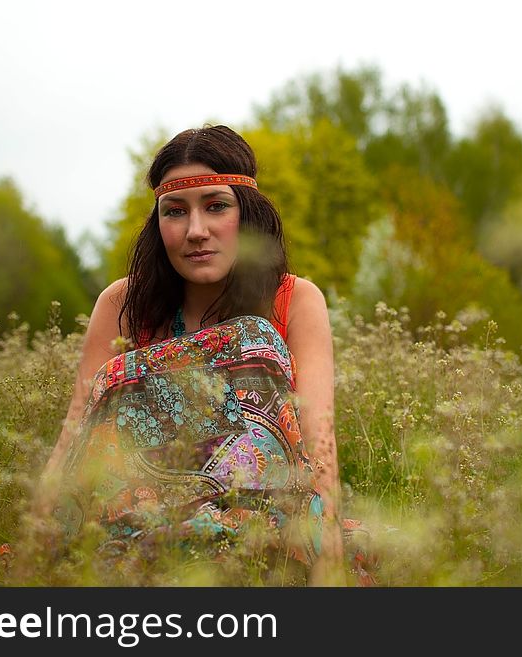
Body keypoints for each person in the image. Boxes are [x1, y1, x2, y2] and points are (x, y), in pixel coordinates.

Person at [39, 125, 346, 586]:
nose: (196, 231)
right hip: (133, 542)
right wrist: (33, 555)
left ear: (248, 215)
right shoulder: (123, 305)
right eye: (175, 212)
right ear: (157, 222)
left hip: (261, 544)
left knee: (253, 339)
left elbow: (319, 443)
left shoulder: (294, 300)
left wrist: (328, 569)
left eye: (216, 206)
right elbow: (76, 433)